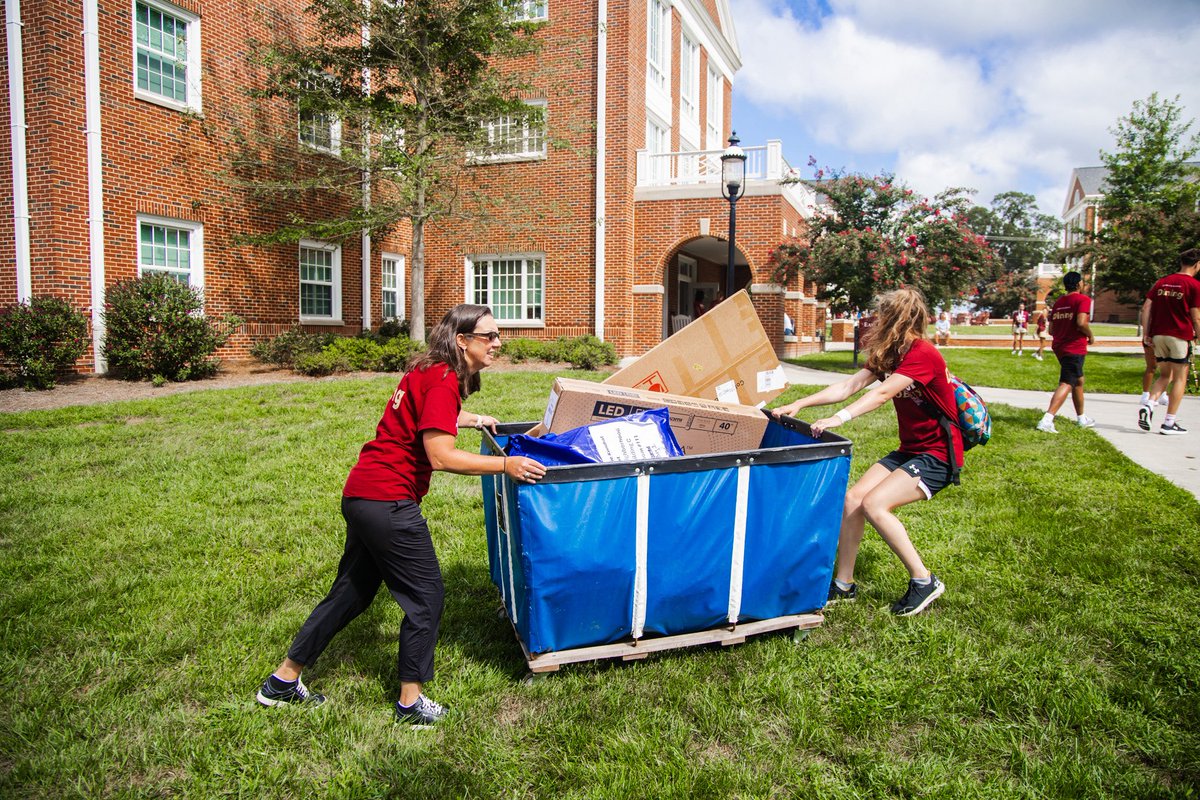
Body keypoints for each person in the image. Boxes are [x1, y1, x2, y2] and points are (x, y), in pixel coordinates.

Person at [254, 304, 547, 726]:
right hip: (389, 503)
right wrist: (507, 465)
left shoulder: (427, 371)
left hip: (361, 494)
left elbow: (427, 415)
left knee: (350, 594)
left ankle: (282, 682)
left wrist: (474, 418)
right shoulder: (445, 380)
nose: (498, 343)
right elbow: (441, 456)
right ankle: (410, 704)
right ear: (462, 341)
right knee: (426, 599)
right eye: (490, 336)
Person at [770, 287, 960, 617]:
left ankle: (924, 580)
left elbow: (882, 393)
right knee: (854, 500)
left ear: (895, 319)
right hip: (911, 450)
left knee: (875, 504)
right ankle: (844, 585)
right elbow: (849, 386)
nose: (874, 321)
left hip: (939, 455)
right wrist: (801, 403)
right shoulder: (891, 353)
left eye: (880, 315)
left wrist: (838, 418)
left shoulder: (923, 354)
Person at [1138, 248, 1200, 435]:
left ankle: (1149, 404)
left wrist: (1146, 333)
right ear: (1197, 265)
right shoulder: (1194, 285)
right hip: (1179, 335)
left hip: (1158, 336)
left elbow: (1146, 307)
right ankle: (1169, 422)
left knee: (1165, 375)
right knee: (1180, 377)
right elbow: (1196, 317)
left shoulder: (1162, 282)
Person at [1036, 272, 1096, 433]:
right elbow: (1081, 322)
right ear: (1078, 284)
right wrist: (1090, 335)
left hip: (1060, 346)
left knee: (1078, 380)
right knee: (1067, 382)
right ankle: (1047, 419)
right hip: (1074, 347)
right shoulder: (1083, 300)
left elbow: (1052, 329)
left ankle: (1081, 418)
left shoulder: (1059, 302)